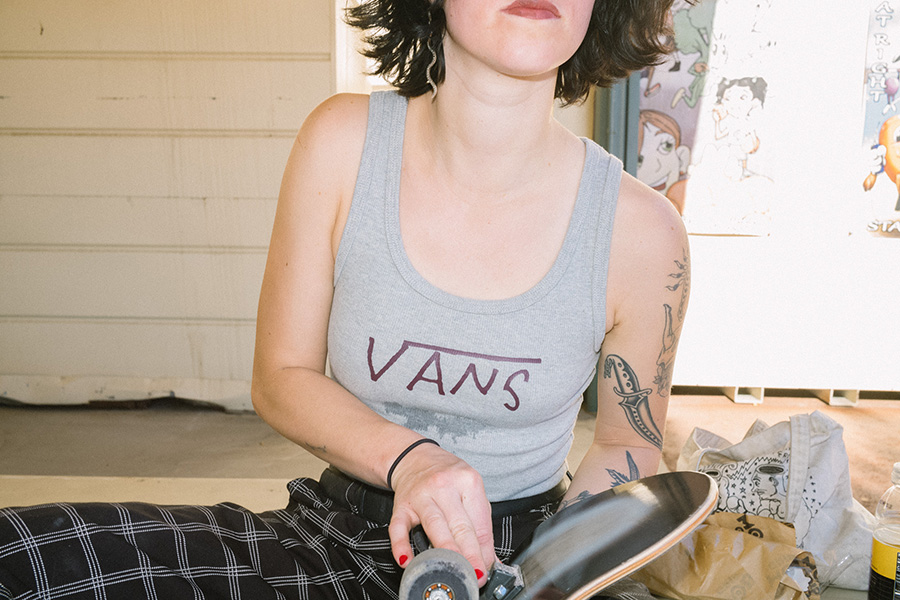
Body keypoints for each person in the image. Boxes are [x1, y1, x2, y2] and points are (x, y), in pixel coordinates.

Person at [0, 1, 689, 598]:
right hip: (336, 539)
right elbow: (281, 376)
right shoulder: (341, 142)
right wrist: (415, 459)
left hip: (529, 555)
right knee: (22, 556)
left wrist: (554, 577)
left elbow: (626, 442)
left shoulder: (644, 233)